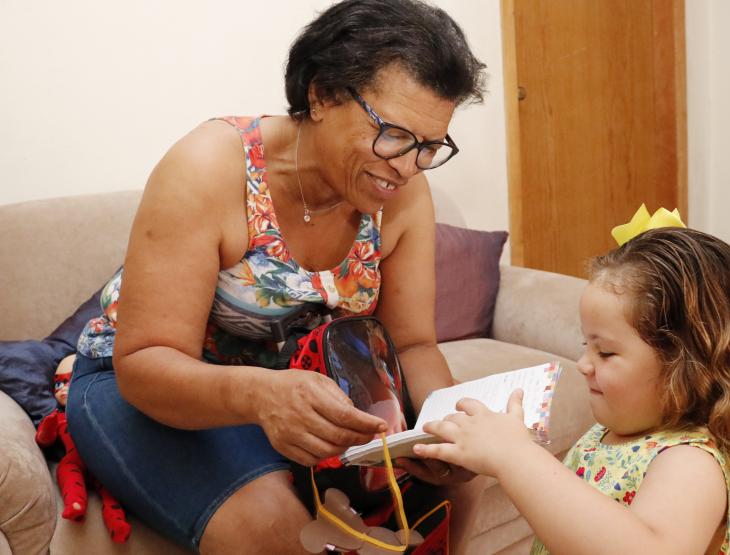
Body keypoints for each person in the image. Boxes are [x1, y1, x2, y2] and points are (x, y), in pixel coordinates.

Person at [65, 1, 487, 553]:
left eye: (430, 146)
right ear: (321, 94)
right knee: (275, 530)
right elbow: (145, 363)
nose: (408, 165)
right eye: (394, 134)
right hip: (149, 389)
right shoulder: (210, 168)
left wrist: (446, 428)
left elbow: (412, 343)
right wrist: (263, 398)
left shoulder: (401, 191)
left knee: (463, 487)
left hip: (295, 393)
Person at [414, 224, 730, 554]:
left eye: (606, 352)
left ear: (690, 366)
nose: (584, 364)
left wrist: (515, 460)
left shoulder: (690, 463)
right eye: (587, 346)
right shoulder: (614, 433)